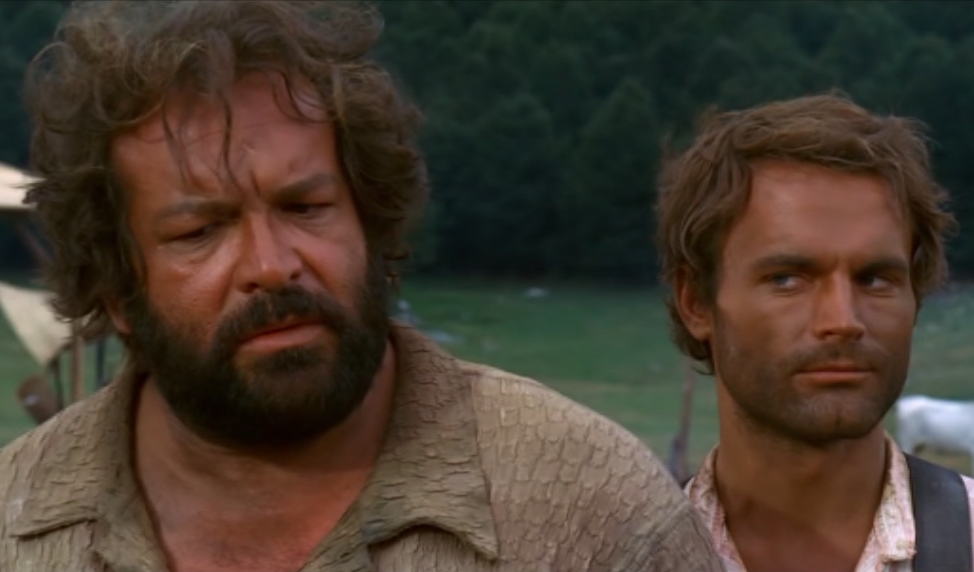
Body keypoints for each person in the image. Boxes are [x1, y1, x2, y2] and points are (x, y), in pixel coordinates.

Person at [0, 2, 724, 571]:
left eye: (304, 207)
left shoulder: (590, 507)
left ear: (371, 223)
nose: (272, 265)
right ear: (117, 287)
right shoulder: (13, 527)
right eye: (201, 230)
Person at [655, 92, 971, 572]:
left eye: (875, 279)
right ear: (696, 302)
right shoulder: (611, 559)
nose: (843, 320)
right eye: (787, 279)